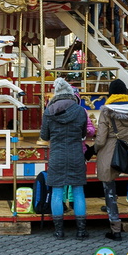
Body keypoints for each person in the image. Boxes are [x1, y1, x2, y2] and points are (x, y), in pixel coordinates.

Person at [40, 78, 89, 240]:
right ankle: (81, 231)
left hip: (57, 155)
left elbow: (44, 136)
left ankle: (59, 231)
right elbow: (83, 134)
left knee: (57, 191)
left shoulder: (49, 111)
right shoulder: (80, 111)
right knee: (78, 191)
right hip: (76, 154)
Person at [94, 78, 128, 241]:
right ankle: (111, 208)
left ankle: (115, 227)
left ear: (111, 93)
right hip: (126, 151)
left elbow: (100, 139)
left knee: (109, 187)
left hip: (109, 151)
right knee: (117, 184)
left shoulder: (107, 111)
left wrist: (94, 149)